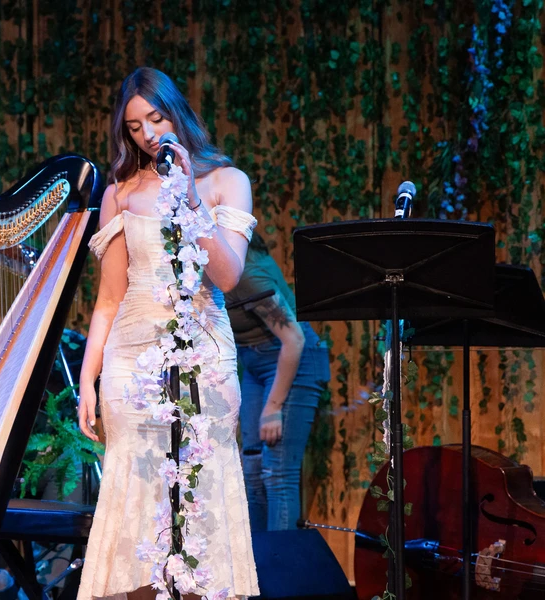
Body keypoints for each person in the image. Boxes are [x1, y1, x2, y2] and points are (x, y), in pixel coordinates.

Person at [77, 67, 260, 600]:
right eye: (134, 127)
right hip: (130, 363)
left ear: (177, 113)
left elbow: (227, 276)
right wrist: (88, 379)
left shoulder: (227, 181)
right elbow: (108, 299)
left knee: (202, 498)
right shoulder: (120, 194)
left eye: (156, 119)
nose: (148, 134)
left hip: (205, 357)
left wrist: (190, 198)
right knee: (137, 507)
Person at [224, 233, 330, 531]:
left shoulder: (245, 273)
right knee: (252, 467)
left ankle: (281, 558)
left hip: (293, 358)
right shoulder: (221, 269)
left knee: (278, 473)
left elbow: (293, 339)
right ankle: (258, 558)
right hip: (254, 363)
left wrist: (273, 407)